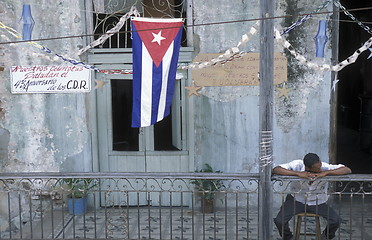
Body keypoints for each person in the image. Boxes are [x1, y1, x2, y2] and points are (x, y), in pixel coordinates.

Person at [273, 153, 351, 240]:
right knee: (279, 221)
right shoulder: (297, 165)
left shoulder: (324, 167)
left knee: (335, 221)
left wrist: (326, 173)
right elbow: (276, 169)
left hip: (318, 201)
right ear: (307, 168)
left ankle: (326, 236)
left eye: (320, 165)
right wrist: (297, 174)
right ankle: (288, 237)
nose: (320, 168)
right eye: (317, 168)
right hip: (296, 199)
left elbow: (347, 170)